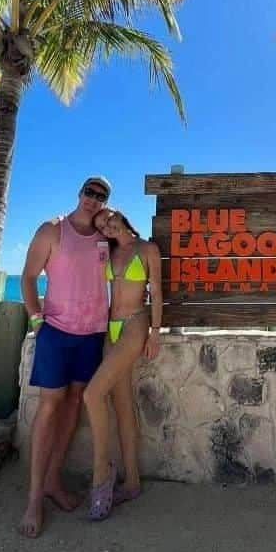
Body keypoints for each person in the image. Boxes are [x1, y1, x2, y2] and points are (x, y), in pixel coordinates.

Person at [18, 176, 112, 538]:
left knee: (74, 405)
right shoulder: (52, 230)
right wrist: (36, 317)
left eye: (101, 196)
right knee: (50, 407)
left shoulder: (106, 236)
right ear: (79, 193)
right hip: (56, 332)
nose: (93, 199)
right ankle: (33, 499)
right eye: (90, 192)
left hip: (92, 334)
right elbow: (28, 277)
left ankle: (53, 482)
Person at [83, 207, 162, 521]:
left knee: (92, 394)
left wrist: (155, 332)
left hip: (134, 324)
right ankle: (132, 481)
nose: (108, 225)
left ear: (123, 217)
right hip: (109, 329)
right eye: (102, 224)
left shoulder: (147, 249)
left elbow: (156, 292)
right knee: (123, 404)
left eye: (110, 218)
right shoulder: (107, 252)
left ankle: (101, 473)